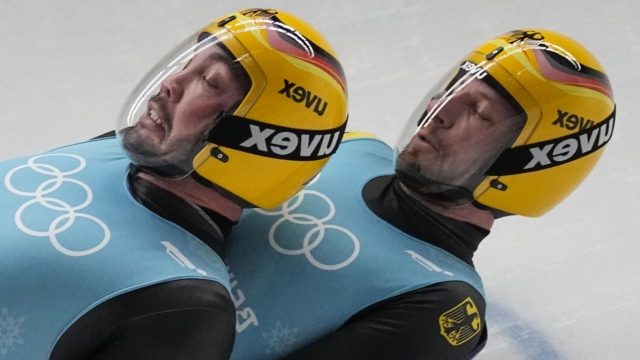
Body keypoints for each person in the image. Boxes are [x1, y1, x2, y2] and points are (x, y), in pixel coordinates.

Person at [225, 28, 615, 359]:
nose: (438, 109)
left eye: (478, 112)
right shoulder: (353, 145)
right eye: (452, 90)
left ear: (529, 161)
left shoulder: (441, 304)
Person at [0, 8, 347, 360]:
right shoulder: (111, 149)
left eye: (209, 81)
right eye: (189, 64)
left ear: (257, 138)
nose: (171, 83)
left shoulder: (186, 306)